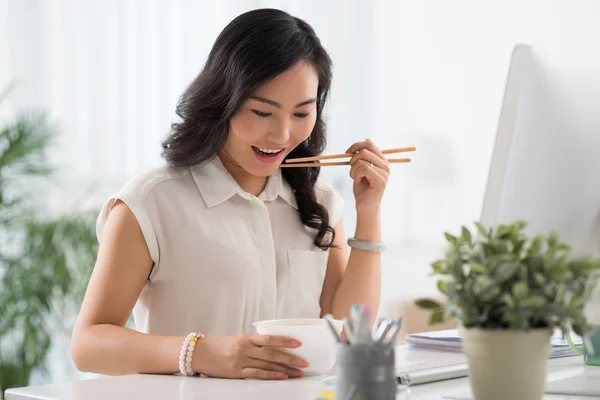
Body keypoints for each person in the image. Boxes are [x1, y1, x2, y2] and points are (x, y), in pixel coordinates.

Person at [71, 8, 390, 381]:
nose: (283, 134)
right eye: (262, 112)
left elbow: (349, 336)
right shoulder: (152, 201)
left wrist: (369, 213)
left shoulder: (318, 202)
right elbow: (88, 345)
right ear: (223, 99)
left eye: (302, 114)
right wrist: (202, 353)